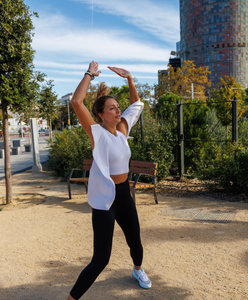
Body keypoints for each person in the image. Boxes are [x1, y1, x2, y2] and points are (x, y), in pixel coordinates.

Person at [67, 61, 151, 300]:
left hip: (124, 193)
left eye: (118, 107)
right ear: (101, 114)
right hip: (105, 198)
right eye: (112, 108)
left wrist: (130, 79)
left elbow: (136, 104)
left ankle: (138, 270)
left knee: (135, 241)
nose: (118, 110)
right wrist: (89, 75)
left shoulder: (123, 129)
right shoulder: (97, 133)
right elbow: (76, 102)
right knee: (101, 259)